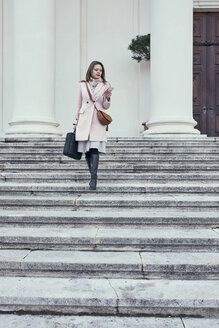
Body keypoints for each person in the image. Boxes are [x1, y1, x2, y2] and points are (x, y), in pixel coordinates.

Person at [73, 61, 113, 190]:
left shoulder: (105, 85)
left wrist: (107, 98)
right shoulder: (82, 85)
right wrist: (75, 121)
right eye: (96, 69)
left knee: (94, 148)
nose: (98, 72)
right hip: (84, 120)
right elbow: (78, 105)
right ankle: (92, 175)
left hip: (97, 120)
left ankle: (93, 178)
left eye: (100, 70)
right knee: (87, 151)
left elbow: (105, 107)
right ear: (91, 70)